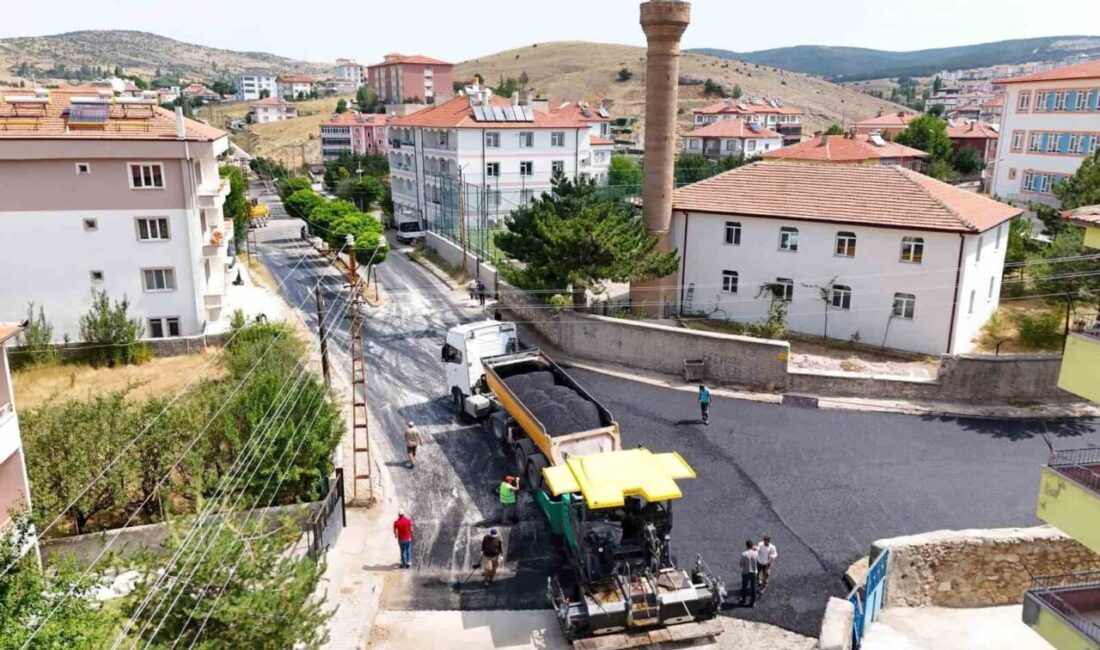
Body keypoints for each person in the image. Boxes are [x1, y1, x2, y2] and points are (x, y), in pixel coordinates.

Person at [738, 540, 758, 607]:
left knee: (744, 587)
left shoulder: (744, 554)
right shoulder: (756, 553)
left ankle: (743, 600)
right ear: (752, 546)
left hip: (746, 572)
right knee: (753, 588)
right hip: (754, 572)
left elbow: (741, 564)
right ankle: (753, 602)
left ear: (746, 546)